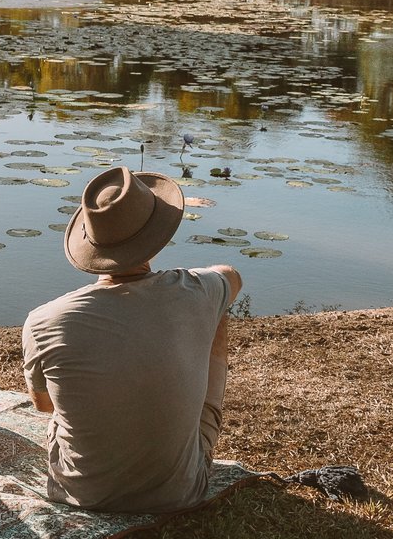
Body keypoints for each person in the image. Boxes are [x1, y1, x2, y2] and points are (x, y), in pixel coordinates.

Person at [21, 165, 242, 512]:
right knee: (219, 306)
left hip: (83, 494)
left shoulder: (42, 320)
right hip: (180, 493)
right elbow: (231, 274)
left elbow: (45, 405)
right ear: (156, 236)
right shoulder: (198, 290)